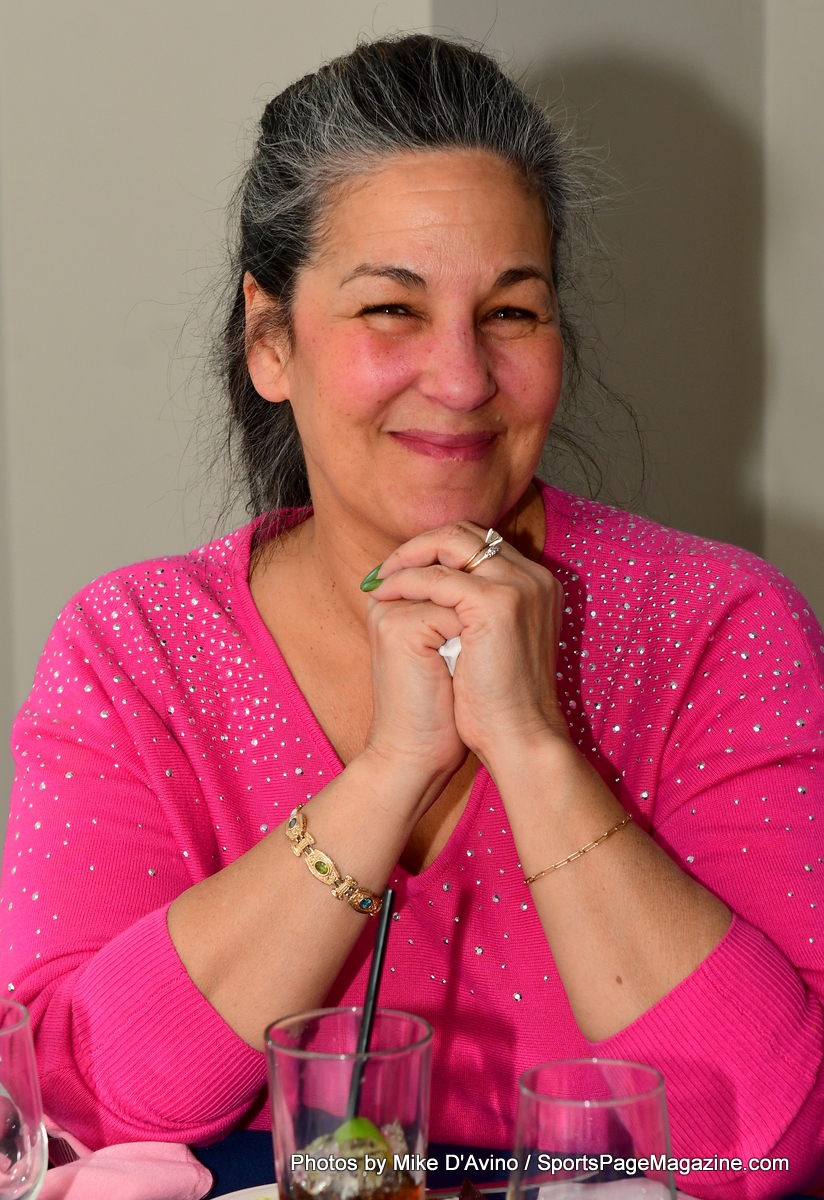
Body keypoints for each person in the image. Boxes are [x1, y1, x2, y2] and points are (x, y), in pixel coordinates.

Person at [1, 34, 823, 1200]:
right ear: (269, 341)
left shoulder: (716, 626)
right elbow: (73, 1105)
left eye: (511, 312)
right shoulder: (135, 649)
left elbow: (763, 1138)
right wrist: (387, 776)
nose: (461, 376)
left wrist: (530, 750)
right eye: (391, 307)